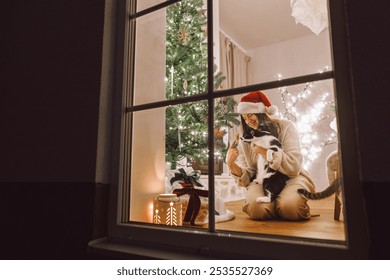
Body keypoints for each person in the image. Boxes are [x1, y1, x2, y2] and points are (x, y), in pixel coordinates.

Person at [226, 90, 316, 220]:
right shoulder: (245, 138)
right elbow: (249, 174)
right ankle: (276, 206)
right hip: (264, 179)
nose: (248, 121)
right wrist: (231, 164)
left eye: (250, 115)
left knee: (290, 207)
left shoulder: (286, 127)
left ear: (261, 112)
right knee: (257, 209)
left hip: (290, 176)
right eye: (244, 118)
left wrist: (264, 152)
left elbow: (294, 166)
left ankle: (282, 206)